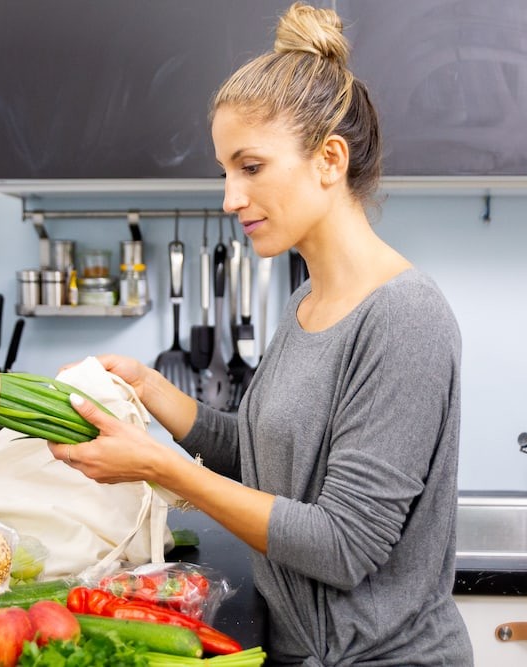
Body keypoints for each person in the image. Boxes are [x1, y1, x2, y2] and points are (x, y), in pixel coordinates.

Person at [49, 2, 473, 664]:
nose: (229, 197)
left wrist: (165, 469)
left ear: (329, 160)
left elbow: (343, 544)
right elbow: (266, 456)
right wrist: (155, 391)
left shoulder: (404, 317)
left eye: (250, 167)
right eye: (225, 171)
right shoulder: (308, 299)